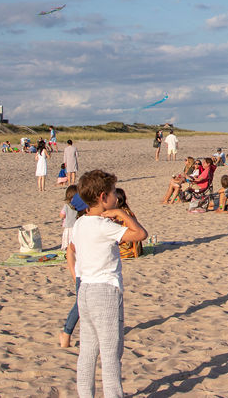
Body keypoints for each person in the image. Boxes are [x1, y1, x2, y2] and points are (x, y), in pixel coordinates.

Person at [67, 169, 146, 397]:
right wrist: (122, 214)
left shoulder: (80, 224)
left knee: (88, 352)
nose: (116, 198)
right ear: (103, 197)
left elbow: (73, 249)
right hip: (105, 292)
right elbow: (140, 234)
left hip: (85, 290)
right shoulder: (104, 226)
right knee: (111, 353)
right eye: (113, 194)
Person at [59, 189, 87, 349]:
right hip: (83, 273)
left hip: (91, 272)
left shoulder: (88, 223)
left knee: (84, 304)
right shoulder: (79, 225)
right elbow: (70, 251)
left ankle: (67, 333)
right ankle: (66, 332)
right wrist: (73, 273)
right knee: (80, 304)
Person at [113, 189, 143, 259]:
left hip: (129, 248)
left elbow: (125, 239)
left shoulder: (122, 214)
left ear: (116, 200)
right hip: (136, 248)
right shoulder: (126, 211)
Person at [60, 185, 79, 251]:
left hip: (68, 226)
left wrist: (63, 217)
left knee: (68, 240)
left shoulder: (66, 205)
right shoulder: (79, 206)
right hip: (76, 226)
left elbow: (62, 215)